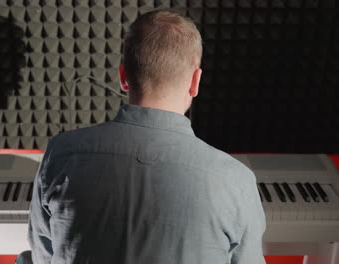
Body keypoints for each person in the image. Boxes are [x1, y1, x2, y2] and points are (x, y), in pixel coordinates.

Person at [27, 9, 265, 264]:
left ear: (123, 77)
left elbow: (44, 255)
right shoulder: (236, 179)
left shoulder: (61, 152)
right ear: (195, 82)